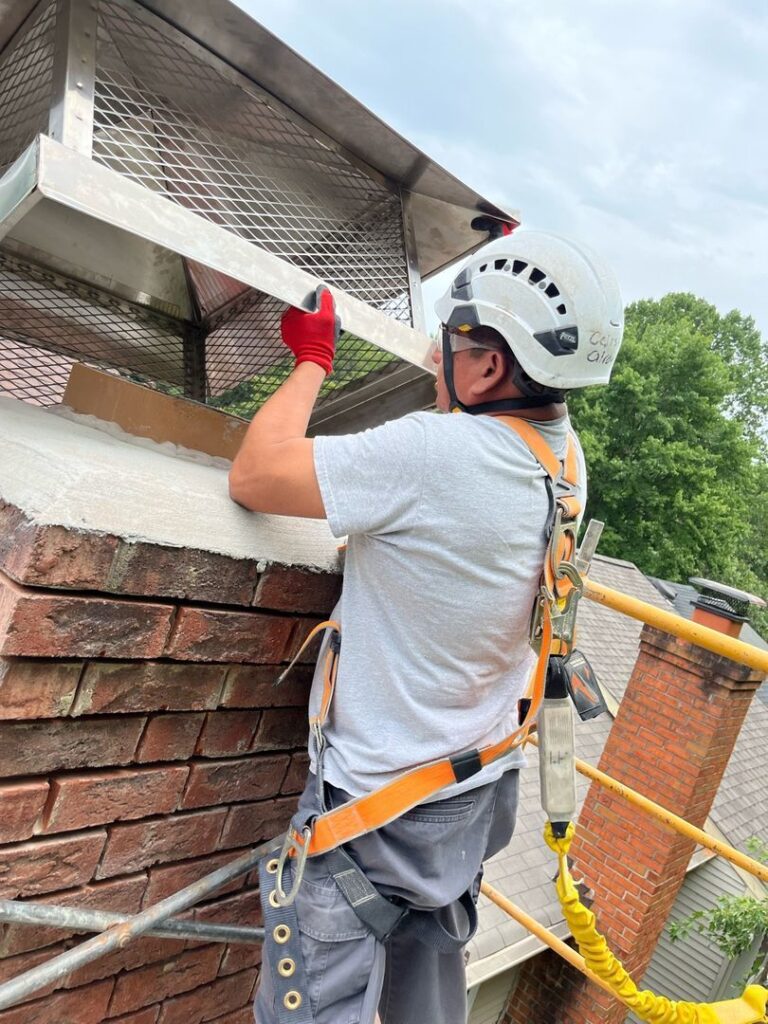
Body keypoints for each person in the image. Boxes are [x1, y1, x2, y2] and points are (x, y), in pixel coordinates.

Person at [228, 230, 624, 1024]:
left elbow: (257, 476)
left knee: (307, 1008)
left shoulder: (433, 456)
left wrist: (312, 360)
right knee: (425, 994)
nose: (434, 358)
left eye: (451, 342)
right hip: (471, 790)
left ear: (488, 365)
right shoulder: (564, 457)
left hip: (379, 803)